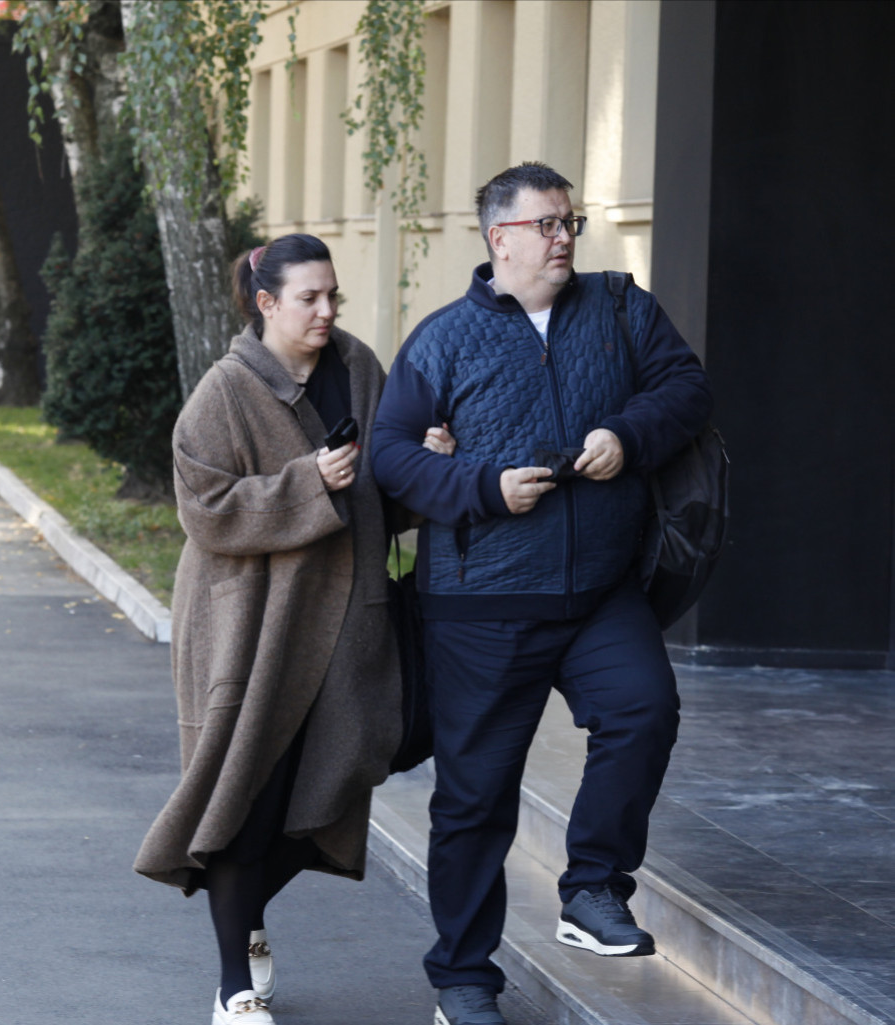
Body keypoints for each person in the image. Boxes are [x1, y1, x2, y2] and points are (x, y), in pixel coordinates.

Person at [371, 162, 713, 1025]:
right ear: (501, 238)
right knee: (474, 800)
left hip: (599, 592)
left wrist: (626, 435)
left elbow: (687, 389)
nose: (565, 237)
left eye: (571, 222)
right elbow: (392, 455)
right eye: (548, 224)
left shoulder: (622, 309)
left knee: (644, 709)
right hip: (480, 604)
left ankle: (593, 886)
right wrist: (483, 488)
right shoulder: (442, 340)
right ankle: (463, 978)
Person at [134, 234, 453, 1025]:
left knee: (346, 768)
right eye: (309, 297)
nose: (326, 310)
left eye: (332, 294)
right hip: (252, 625)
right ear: (266, 302)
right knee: (249, 790)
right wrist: (307, 482)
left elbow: (386, 493)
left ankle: (243, 916)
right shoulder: (225, 390)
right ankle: (232, 985)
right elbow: (205, 508)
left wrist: (428, 463)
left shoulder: (359, 366)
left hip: (349, 620)